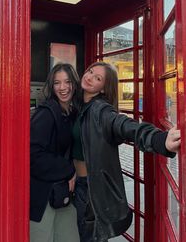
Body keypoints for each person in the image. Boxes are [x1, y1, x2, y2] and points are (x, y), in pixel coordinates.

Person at [72, 62, 181, 242]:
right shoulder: (80, 105)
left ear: (103, 89)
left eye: (98, 78)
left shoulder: (100, 110)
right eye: (90, 71)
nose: (90, 77)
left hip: (92, 190)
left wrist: (159, 139)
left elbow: (125, 126)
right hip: (76, 184)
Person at [30, 63, 81, 242]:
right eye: (57, 83)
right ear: (51, 86)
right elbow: (33, 154)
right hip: (43, 195)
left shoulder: (71, 112)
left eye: (67, 82)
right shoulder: (46, 114)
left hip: (63, 192)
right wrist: (69, 170)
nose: (63, 88)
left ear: (74, 84)